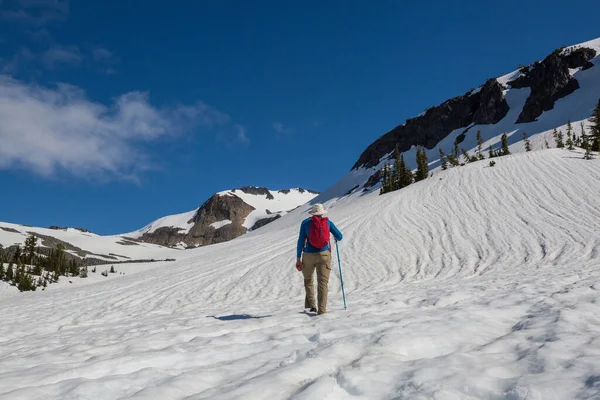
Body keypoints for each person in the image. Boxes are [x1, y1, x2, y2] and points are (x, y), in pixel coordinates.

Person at [296, 203, 343, 315]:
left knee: (308, 280)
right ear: (322, 213)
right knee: (322, 283)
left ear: (312, 213)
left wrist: (298, 258)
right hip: (324, 255)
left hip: (308, 255)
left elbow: (300, 241)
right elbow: (340, 236)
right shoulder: (328, 222)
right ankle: (322, 311)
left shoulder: (305, 223)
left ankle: (311, 306)